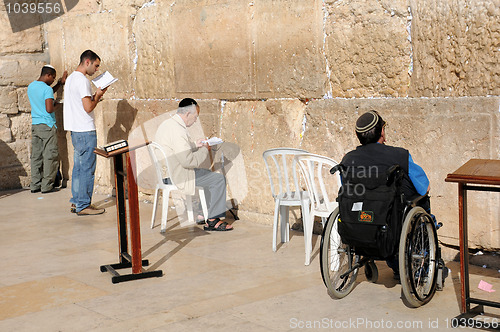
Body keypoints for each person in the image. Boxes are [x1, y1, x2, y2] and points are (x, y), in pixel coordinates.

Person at [341, 110, 432, 278]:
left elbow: (347, 190)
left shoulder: (348, 160)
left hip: (358, 222)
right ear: (382, 132)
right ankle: (418, 263)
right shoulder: (399, 155)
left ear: (357, 135)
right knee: (421, 200)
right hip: (390, 222)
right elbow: (423, 187)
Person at [155, 98, 233, 231]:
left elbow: (177, 148)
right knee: (218, 179)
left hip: (166, 173)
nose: (196, 120)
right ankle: (213, 220)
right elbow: (188, 161)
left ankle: (203, 214)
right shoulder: (178, 130)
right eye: (195, 116)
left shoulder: (167, 124)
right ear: (187, 114)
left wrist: (195, 145)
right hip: (177, 175)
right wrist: (205, 149)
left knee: (207, 175)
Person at [63, 50, 107, 216]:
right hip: (85, 130)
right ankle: (83, 204)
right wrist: (98, 95)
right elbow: (88, 107)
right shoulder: (82, 81)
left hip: (75, 130)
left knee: (79, 168)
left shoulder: (70, 79)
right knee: (87, 168)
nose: (96, 70)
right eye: (96, 66)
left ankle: (76, 202)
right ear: (87, 62)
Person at [28, 65, 67, 193]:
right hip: (48, 126)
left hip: (36, 125)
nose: (53, 80)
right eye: (53, 78)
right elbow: (49, 109)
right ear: (48, 75)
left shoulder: (31, 86)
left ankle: (35, 184)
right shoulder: (47, 89)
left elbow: (47, 91)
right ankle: (47, 186)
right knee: (50, 156)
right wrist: (58, 104)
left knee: (36, 156)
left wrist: (59, 84)